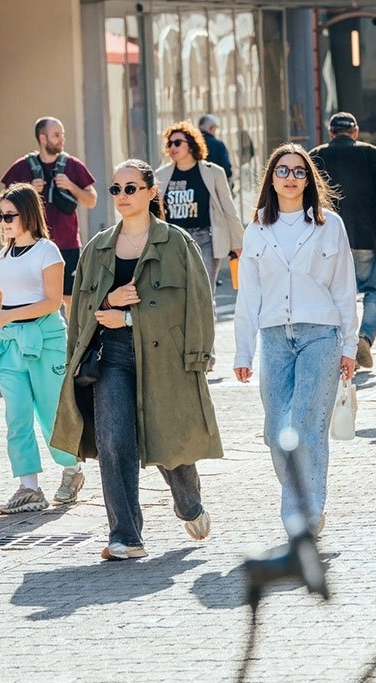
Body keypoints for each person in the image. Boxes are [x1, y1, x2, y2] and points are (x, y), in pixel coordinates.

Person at [51, 160, 222, 561]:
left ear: (150, 192)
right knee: (114, 442)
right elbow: (81, 310)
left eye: (131, 188)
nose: (123, 196)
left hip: (165, 358)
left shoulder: (177, 243)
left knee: (167, 440)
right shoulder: (97, 247)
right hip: (110, 356)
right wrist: (109, 303)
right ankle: (126, 536)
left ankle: (189, 504)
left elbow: (196, 304)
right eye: (116, 190)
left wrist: (135, 317)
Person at [233, 144, 357, 538]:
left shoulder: (329, 224)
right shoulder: (256, 229)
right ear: (271, 178)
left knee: (306, 426)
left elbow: (344, 287)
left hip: (321, 334)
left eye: (299, 172)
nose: (290, 177)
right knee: (275, 432)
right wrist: (243, 349)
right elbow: (248, 294)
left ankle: (304, 510)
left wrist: (350, 347)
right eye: (283, 170)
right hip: (273, 339)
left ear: (309, 179)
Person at [0, 184, 85, 514]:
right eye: (0, 215)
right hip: (10, 344)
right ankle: (29, 488)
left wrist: (6, 315)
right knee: (17, 415)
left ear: (27, 214)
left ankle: (72, 471)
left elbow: (52, 301)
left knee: (52, 414)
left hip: (46, 341)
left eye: (9, 215)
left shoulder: (48, 251)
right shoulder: (5, 254)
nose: (4, 221)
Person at [310, 112, 376, 369]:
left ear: (331, 133)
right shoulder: (371, 153)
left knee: (334, 297)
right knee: (375, 291)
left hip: (327, 240)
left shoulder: (316, 155)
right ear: (355, 132)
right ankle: (364, 337)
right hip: (364, 235)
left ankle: (341, 347)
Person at [0, 116, 98, 319]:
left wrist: (71, 186)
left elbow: (91, 200)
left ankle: (70, 344)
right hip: (32, 245)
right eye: (56, 135)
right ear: (42, 138)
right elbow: (5, 201)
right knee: (37, 296)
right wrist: (27, 189)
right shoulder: (22, 167)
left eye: (62, 135)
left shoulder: (72, 165)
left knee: (70, 298)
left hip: (68, 244)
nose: (61, 139)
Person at [154, 119, 243, 298]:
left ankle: (207, 327)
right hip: (173, 241)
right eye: (169, 143)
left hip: (205, 239)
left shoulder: (213, 172)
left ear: (192, 144)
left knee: (204, 295)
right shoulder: (161, 175)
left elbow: (228, 209)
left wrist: (238, 243)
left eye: (178, 142)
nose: (173, 147)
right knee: (177, 295)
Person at [197, 114, 234, 183]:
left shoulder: (192, 144)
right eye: (215, 128)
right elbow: (225, 167)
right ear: (211, 128)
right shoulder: (218, 145)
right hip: (215, 182)